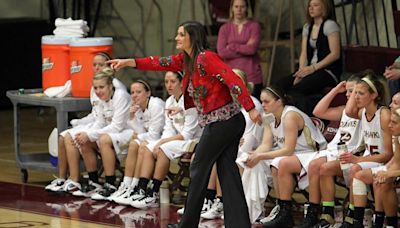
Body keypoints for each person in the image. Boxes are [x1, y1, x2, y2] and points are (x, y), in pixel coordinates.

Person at [107, 20, 262, 228]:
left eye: (181, 34)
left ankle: (187, 224)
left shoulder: (206, 57)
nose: (177, 38)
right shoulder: (186, 60)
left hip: (223, 122)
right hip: (226, 122)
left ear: (192, 36)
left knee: (198, 167)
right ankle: (239, 224)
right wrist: (129, 62)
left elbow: (230, 77)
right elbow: (157, 62)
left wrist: (249, 106)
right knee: (227, 171)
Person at [244, 86, 327, 228]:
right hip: (293, 154)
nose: (263, 105)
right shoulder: (269, 117)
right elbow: (266, 144)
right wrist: (257, 154)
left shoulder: (289, 116)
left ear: (279, 101)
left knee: (279, 163)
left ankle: (285, 211)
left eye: (266, 102)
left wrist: (261, 156)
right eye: (262, 102)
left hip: (311, 153)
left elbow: (288, 150)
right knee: (251, 163)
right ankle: (268, 209)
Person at [45, 53, 126, 192]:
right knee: (65, 136)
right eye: (94, 65)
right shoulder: (96, 87)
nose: (97, 68)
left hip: (122, 131)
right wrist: (80, 124)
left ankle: (80, 179)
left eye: (100, 64)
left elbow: (116, 124)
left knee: (82, 138)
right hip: (106, 128)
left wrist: (90, 134)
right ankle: (67, 178)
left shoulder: (118, 90)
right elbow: (98, 117)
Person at [295, 74, 364, 227]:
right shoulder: (344, 110)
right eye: (346, 91)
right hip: (334, 151)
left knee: (327, 168)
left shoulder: (363, 112)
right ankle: (318, 212)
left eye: (351, 91)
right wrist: (335, 90)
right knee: (314, 165)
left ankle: (350, 215)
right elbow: (318, 111)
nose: (347, 95)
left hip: (351, 155)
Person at [127, 71, 202, 209]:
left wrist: (162, 142)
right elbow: (169, 128)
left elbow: (187, 134)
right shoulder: (169, 101)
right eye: (166, 82)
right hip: (178, 140)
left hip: (194, 140)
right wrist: (162, 141)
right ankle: (142, 188)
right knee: (150, 147)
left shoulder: (190, 100)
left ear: (182, 82)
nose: (169, 85)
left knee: (162, 148)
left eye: (173, 81)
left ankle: (154, 192)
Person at [86, 80, 165, 202]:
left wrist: (139, 136)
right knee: (134, 144)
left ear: (148, 93)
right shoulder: (136, 108)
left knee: (139, 143)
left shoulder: (156, 104)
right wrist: (132, 118)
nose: (134, 95)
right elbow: (141, 132)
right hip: (150, 139)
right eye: (132, 92)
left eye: (139, 92)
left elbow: (154, 135)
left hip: (162, 139)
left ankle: (138, 187)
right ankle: (128, 185)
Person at [332, 70, 392, 228]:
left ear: (373, 95)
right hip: (371, 160)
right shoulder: (362, 112)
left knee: (355, 169)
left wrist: (358, 159)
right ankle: (356, 220)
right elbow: (348, 111)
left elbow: (388, 154)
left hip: (385, 162)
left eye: (360, 93)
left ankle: (356, 218)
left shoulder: (384, 115)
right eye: (354, 93)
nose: (355, 97)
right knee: (355, 169)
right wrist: (356, 88)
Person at [275, 0, 342, 116]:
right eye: (310, 6)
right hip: (309, 71)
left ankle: (308, 118)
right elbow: (304, 54)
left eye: (315, 5)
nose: (311, 8)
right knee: (279, 85)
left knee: (295, 90)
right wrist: (301, 72)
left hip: (327, 71)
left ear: (324, 8)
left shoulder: (329, 25)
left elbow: (335, 54)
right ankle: (281, 117)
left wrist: (313, 68)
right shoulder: (307, 27)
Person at [217, 0, 263, 99]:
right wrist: (244, 47)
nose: (239, 10)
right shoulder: (225, 28)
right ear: (232, 8)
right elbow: (222, 52)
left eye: (242, 7)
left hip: (252, 75)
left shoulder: (254, 26)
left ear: (247, 8)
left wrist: (232, 46)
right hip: (231, 74)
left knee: (254, 107)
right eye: (236, 6)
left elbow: (252, 49)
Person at [371, 107, 400, 228]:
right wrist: (384, 173)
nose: (389, 125)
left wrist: (390, 174)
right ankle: (391, 224)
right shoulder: (398, 137)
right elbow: (397, 163)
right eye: (390, 121)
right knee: (383, 182)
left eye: (394, 122)